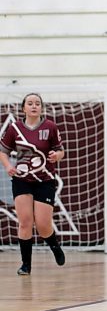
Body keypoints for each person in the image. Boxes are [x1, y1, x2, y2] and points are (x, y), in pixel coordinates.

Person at [0, 93, 65, 275]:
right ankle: (26, 265)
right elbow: (2, 151)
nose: (34, 106)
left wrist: (57, 156)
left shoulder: (50, 127)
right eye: (30, 103)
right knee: (25, 222)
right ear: (24, 108)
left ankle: (54, 246)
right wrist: (7, 166)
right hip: (22, 180)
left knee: (43, 225)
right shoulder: (14, 128)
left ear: (41, 108)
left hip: (44, 180)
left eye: (37, 103)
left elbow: (61, 151)